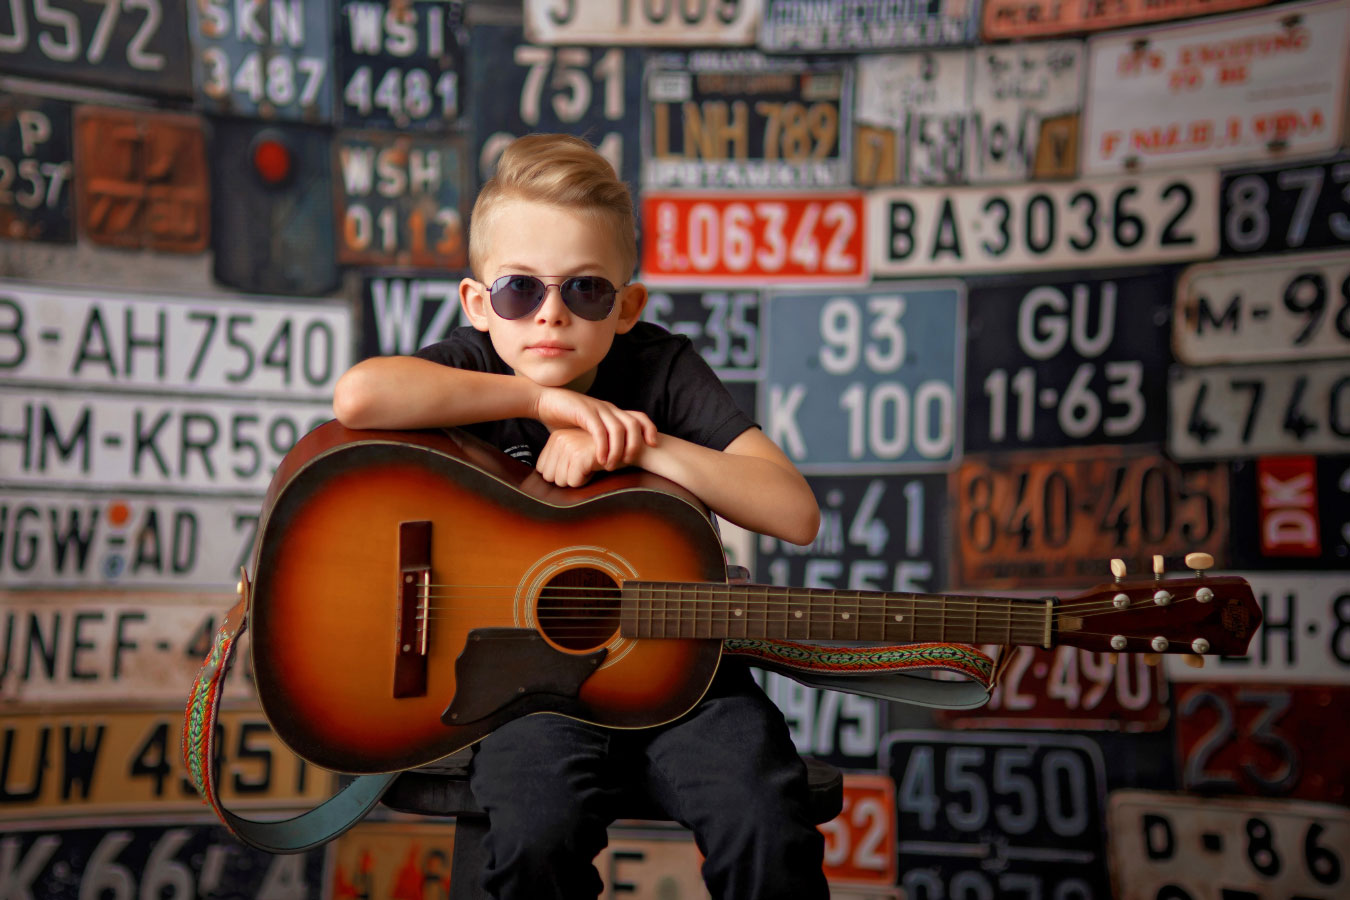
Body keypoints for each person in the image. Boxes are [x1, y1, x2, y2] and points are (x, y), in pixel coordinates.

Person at [332, 133, 827, 900]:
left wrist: (641, 444)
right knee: (534, 833)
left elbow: (794, 513)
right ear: (478, 303)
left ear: (627, 305)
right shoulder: (478, 364)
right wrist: (540, 401)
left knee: (764, 817)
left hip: (685, 672)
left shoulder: (660, 369)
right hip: (527, 684)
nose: (551, 316)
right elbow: (359, 397)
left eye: (586, 291)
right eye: (520, 291)